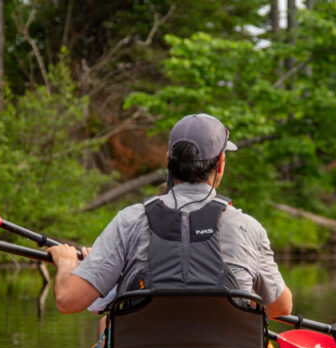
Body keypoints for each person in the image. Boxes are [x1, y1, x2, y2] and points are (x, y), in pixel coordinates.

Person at [47, 113, 292, 320]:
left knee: (104, 329)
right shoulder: (248, 228)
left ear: (168, 161)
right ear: (220, 163)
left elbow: (69, 300)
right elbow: (281, 306)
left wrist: (68, 263)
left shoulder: (129, 221)